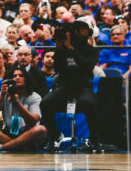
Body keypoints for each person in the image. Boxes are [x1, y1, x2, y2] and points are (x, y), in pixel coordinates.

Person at [40, 21, 101, 150]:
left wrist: (72, 50)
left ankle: (94, 139)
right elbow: (57, 68)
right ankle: (55, 136)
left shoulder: (91, 50)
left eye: (82, 30)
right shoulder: (61, 50)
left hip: (83, 86)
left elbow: (87, 67)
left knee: (89, 103)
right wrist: (62, 48)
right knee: (45, 103)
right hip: (64, 87)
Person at [0, 67, 47, 152]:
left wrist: (17, 103)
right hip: (9, 132)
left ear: (26, 79)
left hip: (27, 132)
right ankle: (18, 145)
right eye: (14, 76)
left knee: (40, 130)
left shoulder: (34, 96)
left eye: (21, 75)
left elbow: (33, 122)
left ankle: (3, 147)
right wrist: (1, 95)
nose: (17, 78)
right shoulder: (4, 94)